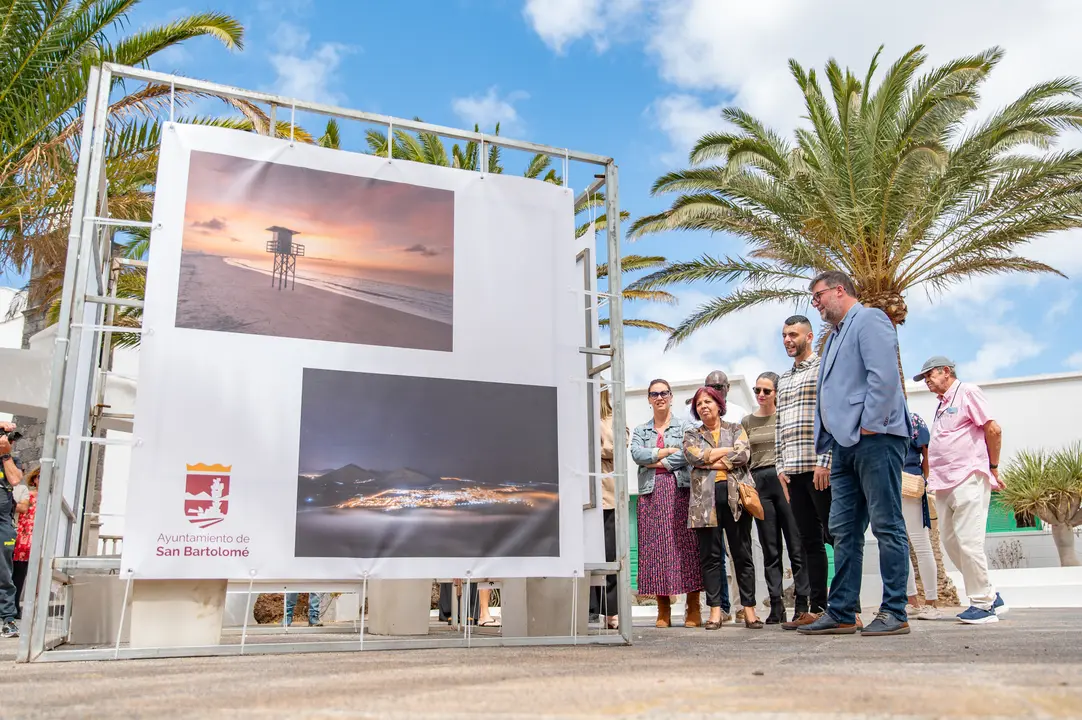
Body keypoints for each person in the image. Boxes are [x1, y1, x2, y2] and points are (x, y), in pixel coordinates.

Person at [799, 271, 912, 637]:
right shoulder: (832, 338)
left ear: (839, 290)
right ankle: (843, 610)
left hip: (876, 439)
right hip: (844, 445)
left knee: (887, 524)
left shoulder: (870, 319)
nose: (815, 304)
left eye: (817, 296)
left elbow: (884, 377)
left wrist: (870, 424)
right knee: (843, 530)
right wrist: (831, 440)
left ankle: (895, 611)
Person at [914, 356, 1008, 625]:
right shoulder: (943, 404)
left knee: (969, 541)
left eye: (930, 375)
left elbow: (994, 429)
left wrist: (993, 466)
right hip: (943, 483)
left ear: (946, 371)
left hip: (968, 476)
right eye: (924, 379)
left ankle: (982, 604)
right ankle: (991, 595)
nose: (927, 382)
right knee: (952, 543)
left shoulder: (968, 392)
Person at [774, 316, 836, 631]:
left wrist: (825, 459)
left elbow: (831, 413)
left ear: (809, 337)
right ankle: (818, 607)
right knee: (808, 542)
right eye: (784, 335)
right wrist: (780, 468)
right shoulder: (783, 379)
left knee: (836, 537)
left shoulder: (824, 367)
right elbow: (779, 424)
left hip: (819, 468)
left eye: (793, 334)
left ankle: (845, 607)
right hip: (793, 472)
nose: (787, 340)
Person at [682, 385, 760, 629]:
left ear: (718, 404)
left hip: (735, 498)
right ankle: (715, 611)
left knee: (742, 555)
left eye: (708, 402)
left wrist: (711, 460)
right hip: (704, 503)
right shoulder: (692, 434)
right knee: (711, 557)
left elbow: (743, 454)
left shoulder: (736, 428)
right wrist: (725, 454)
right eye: (699, 404)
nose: (703, 406)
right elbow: (693, 456)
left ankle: (749, 610)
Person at [630, 379, 703, 628]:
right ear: (648, 399)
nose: (659, 397)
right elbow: (636, 454)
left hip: (680, 491)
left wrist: (657, 461)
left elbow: (688, 453)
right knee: (656, 550)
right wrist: (664, 453)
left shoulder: (685, 426)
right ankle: (663, 609)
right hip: (651, 494)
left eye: (664, 393)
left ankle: (693, 606)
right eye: (654, 394)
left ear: (671, 396)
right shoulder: (641, 430)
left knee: (686, 547)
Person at [742, 372, 810, 625]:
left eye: (766, 391)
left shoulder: (784, 417)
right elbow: (744, 457)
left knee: (796, 546)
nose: (761, 395)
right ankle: (776, 605)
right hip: (760, 483)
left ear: (776, 393)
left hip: (785, 481)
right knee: (770, 549)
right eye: (757, 390)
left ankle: (802, 603)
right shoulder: (747, 422)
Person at [901, 412, 940, 620]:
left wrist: (924, 481)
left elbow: (927, 454)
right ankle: (911, 600)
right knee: (899, 546)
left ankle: (932, 602)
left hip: (910, 484)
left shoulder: (912, 419)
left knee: (920, 542)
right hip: (887, 485)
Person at [589, 388, 622, 629]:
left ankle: (611, 611)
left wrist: (593, 449)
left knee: (609, 552)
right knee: (585, 554)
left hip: (608, 494)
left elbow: (617, 448)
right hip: (582, 497)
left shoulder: (615, 417)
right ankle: (589, 609)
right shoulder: (576, 416)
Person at [0, 421, 24, 639]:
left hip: (2, 524)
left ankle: (8, 619)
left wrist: (5, 455)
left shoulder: (11, 460)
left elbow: (15, 479)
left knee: (4, 572)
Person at [12, 467, 38, 622]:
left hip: (38, 538)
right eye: (39, 476)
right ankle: (14, 606)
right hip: (24, 536)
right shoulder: (27, 494)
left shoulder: (51, 498)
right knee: (18, 573)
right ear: (34, 479)